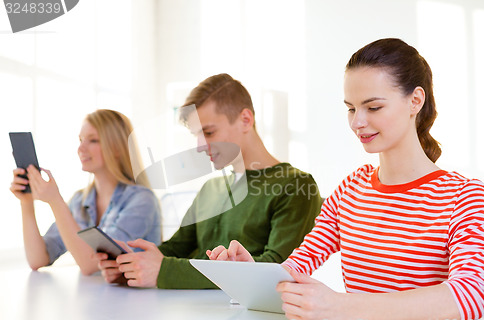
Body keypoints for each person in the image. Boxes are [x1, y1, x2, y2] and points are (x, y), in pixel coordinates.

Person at [208, 39, 484, 320]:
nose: (357, 122)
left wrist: (341, 307)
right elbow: (299, 264)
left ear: (415, 101)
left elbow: (469, 295)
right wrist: (255, 277)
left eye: (374, 107)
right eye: (351, 108)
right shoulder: (350, 190)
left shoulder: (464, 196)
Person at [95, 74, 323, 289]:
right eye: (196, 134)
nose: (200, 146)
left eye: (209, 132)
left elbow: (277, 269)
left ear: (245, 119)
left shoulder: (296, 186)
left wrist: (164, 270)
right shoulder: (211, 188)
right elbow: (177, 249)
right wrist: (131, 265)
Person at [10, 109, 162, 275]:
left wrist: (55, 201)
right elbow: (38, 259)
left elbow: (93, 265)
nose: (80, 148)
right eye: (81, 140)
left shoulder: (141, 200)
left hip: (137, 299)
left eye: (93, 140)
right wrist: (26, 202)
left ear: (118, 148)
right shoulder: (80, 201)